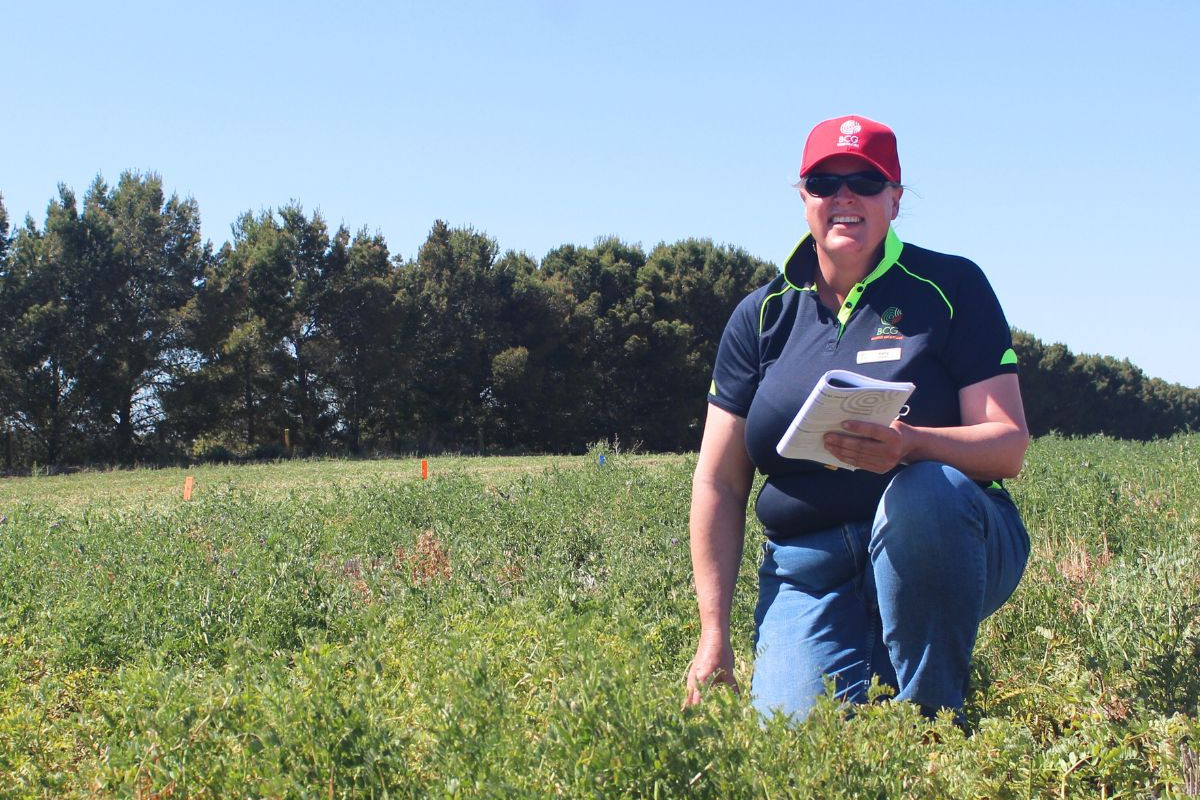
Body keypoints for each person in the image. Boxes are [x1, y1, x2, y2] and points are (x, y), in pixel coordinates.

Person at [684, 115, 1030, 721]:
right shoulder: (760, 316)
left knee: (924, 493)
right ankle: (869, 663)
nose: (844, 196)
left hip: (942, 532)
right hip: (810, 567)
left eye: (866, 182)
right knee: (794, 749)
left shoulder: (951, 286)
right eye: (824, 182)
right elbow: (719, 480)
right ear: (803, 199)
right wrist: (714, 632)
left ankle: (933, 725)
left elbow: (1008, 446)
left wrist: (912, 444)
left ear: (895, 200)